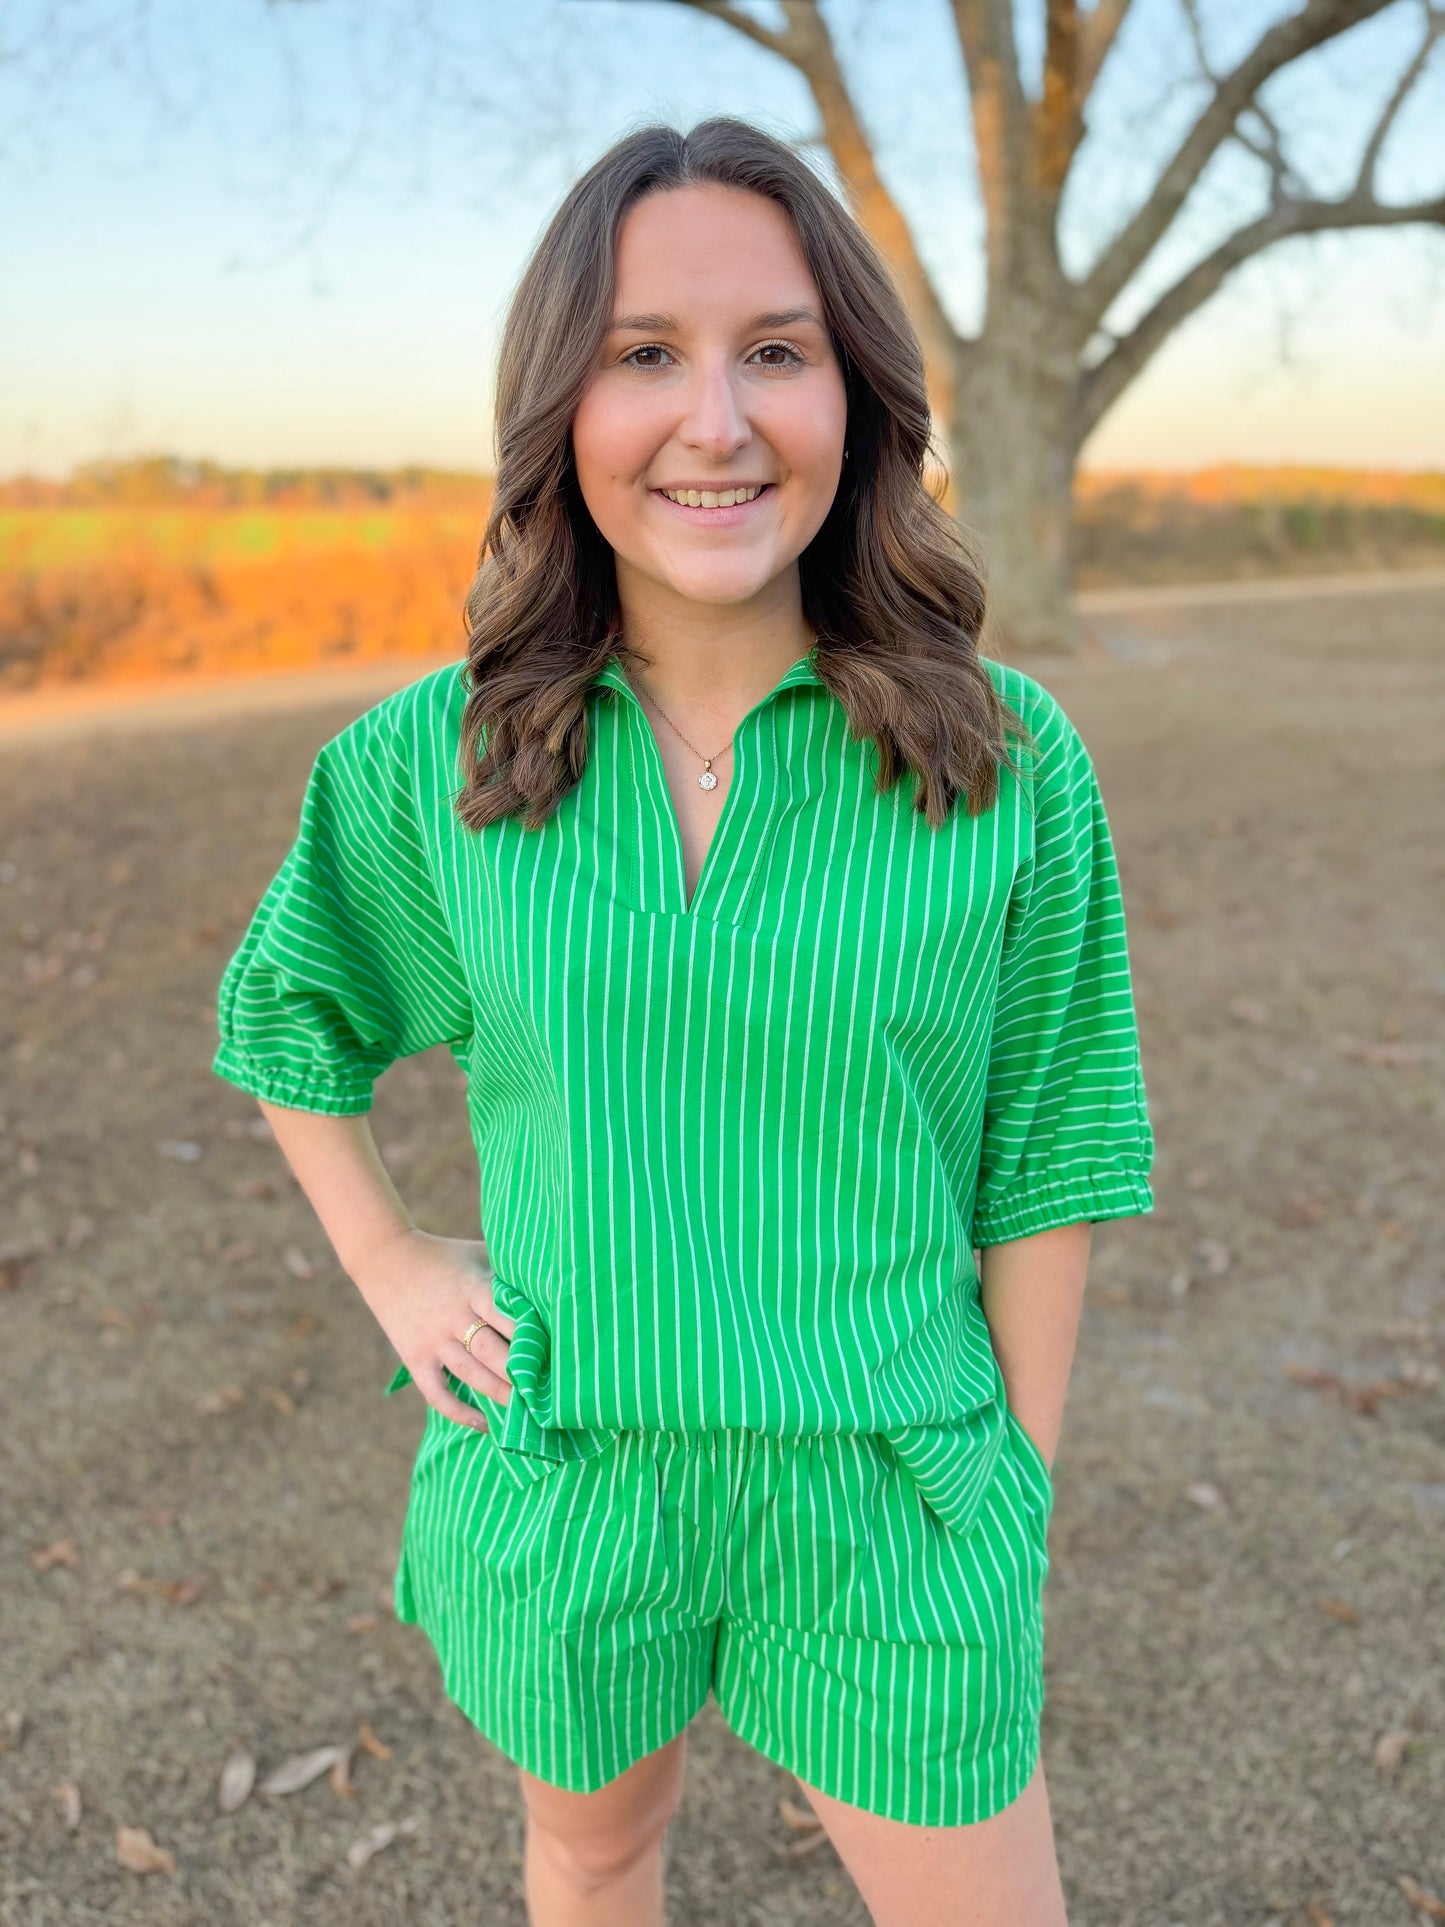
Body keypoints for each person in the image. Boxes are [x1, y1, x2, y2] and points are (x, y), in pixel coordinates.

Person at [211, 116, 1154, 1927]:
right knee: (593, 1851)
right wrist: (399, 1263)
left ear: (857, 400)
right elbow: (290, 1017)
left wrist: (1012, 1492)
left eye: (774, 352)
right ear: (562, 407)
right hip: (572, 1477)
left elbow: (1052, 1145)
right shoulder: (444, 759)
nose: (712, 419)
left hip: (891, 1488)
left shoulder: (1007, 765)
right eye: (645, 354)